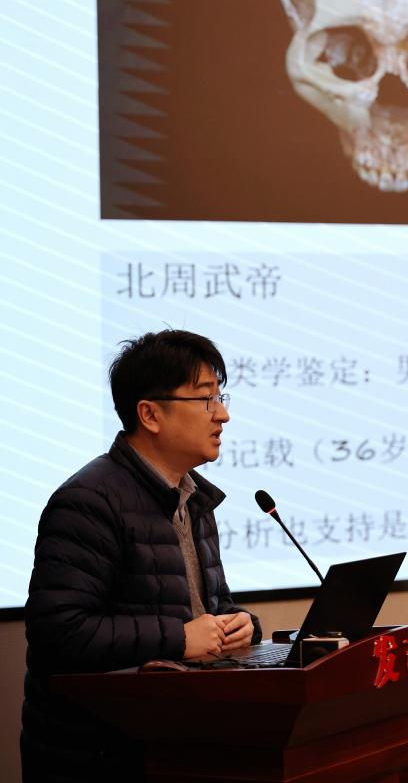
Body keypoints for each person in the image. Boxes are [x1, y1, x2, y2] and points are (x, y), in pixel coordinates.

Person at [21, 329, 261, 782]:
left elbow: (208, 608)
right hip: (99, 755)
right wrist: (178, 639)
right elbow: (59, 633)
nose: (223, 414)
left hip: (178, 740)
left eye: (220, 397)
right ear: (149, 414)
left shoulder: (193, 497)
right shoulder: (89, 501)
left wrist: (242, 623)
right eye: (205, 399)